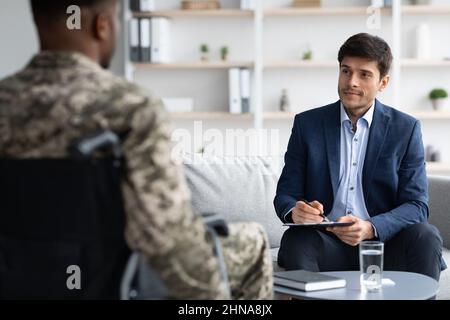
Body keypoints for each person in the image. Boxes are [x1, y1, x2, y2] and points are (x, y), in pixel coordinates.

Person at [0, 0, 273, 299]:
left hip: (19, 280)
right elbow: (166, 237)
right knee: (253, 240)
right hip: (114, 281)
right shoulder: (132, 108)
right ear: (101, 25)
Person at [274, 33, 446, 281]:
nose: (351, 81)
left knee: (426, 236)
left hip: (384, 245)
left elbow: (417, 205)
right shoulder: (307, 124)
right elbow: (285, 195)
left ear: (383, 83)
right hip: (326, 243)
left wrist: (371, 228)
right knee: (295, 240)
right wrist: (295, 212)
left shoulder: (405, 129)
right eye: (346, 71)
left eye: (364, 74)